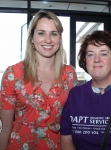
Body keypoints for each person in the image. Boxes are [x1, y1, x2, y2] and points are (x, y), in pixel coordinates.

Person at [0, 10, 78, 150]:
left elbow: (74, 121)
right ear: (32, 38)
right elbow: (5, 128)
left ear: (60, 39)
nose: (48, 40)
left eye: (54, 34)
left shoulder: (69, 74)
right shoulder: (13, 74)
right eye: (41, 33)